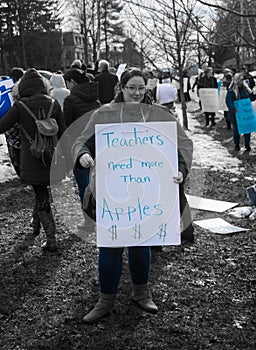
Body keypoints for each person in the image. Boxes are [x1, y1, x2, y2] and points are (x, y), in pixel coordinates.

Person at [72, 68, 193, 323]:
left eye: (141, 88)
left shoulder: (158, 115)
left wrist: (181, 170)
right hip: (110, 191)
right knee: (110, 246)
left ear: (147, 88)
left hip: (147, 191)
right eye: (131, 88)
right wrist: (83, 154)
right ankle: (105, 300)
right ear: (121, 88)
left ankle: (141, 293)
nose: (137, 93)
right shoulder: (103, 113)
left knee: (141, 243)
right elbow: (81, 141)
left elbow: (181, 144)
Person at [0, 68, 69, 252]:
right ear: (44, 86)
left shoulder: (20, 106)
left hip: (32, 158)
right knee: (41, 192)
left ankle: (52, 238)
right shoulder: (54, 104)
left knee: (41, 194)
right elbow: (64, 133)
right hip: (52, 158)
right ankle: (36, 225)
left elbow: (2, 127)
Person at [63, 67, 100, 229]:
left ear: (72, 82)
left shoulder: (70, 100)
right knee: (97, 182)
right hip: (97, 144)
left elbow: (67, 127)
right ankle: (101, 215)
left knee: (83, 185)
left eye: (67, 83)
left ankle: (89, 220)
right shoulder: (95, 98)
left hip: (79, 147)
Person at [5, 67, 24, 177]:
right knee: (22, 149)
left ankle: (19, 170)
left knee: (13, 150)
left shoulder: (6, 89)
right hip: (20, 124)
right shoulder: (23, 88)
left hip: (9, 124)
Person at [225, 73, 252, 152]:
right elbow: (228, 101)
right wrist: (233, 108)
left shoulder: (246, 88)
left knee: (248, 128)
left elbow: (250, 97)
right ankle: (237, 145)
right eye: (239, 80)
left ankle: (247, 144)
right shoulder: (231, 90)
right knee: (236, 129)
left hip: (245, 112)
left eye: (242, 80)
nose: (241, 82)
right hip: (235, 113)